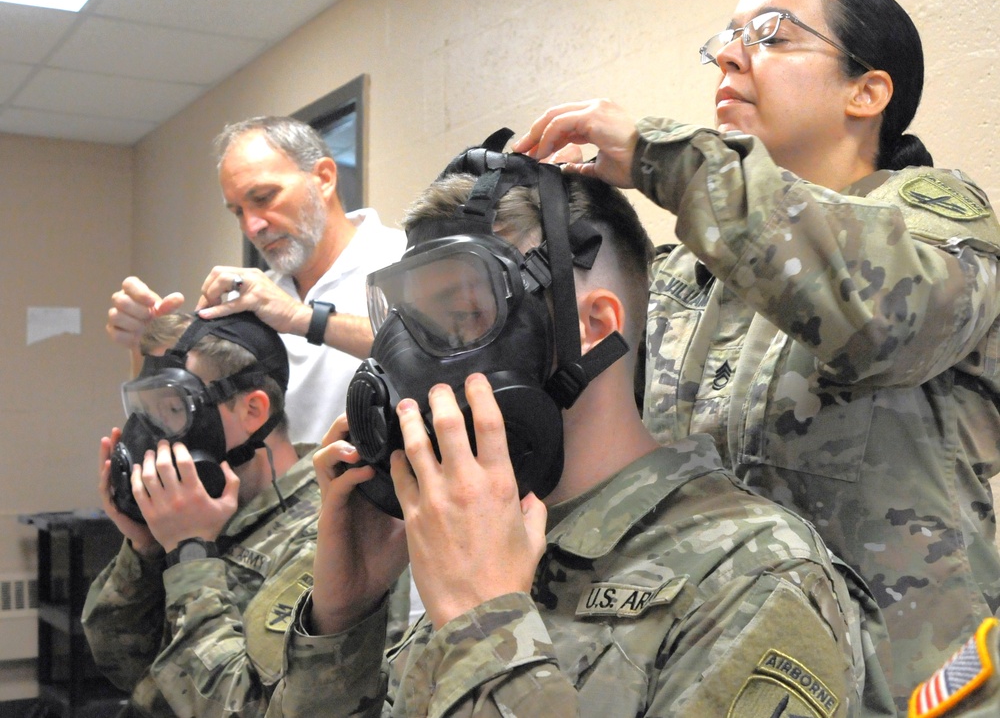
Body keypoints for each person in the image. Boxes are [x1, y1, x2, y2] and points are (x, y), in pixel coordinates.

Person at [513, 0, 1000, 713]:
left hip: (900, 693)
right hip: (721, 676)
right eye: (726, 40)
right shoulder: (682, 270)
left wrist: (662, 155)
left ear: (867, 91)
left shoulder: (935, 221)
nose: (731, 55)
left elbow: (886, 319)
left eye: (770, 35)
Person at [263, 139, 894, 716]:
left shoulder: (750, 579)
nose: (412, 361)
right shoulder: (474, 535)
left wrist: (487, 626)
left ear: (593, 326)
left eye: (459, 318)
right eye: (406, 325)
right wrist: (344, 624)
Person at [106, 115, 407, 445]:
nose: (251, 227)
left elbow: (437, 350)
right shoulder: (253, 299)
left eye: (263, 198)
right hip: (283, 495)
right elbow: (182, 420)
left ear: (323, 178)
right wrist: (145, 349)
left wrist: (301, 318)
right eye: (237, 211)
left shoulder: (404, 259)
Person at [83, 311, 322, 717]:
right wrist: (145, 547)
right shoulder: (198, 508)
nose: (151, 437)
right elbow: (119, 662)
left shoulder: (325, 531)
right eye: (147, 411)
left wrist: (190, 553)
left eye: (172, 409)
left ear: (253, 411)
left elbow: (243, 709)